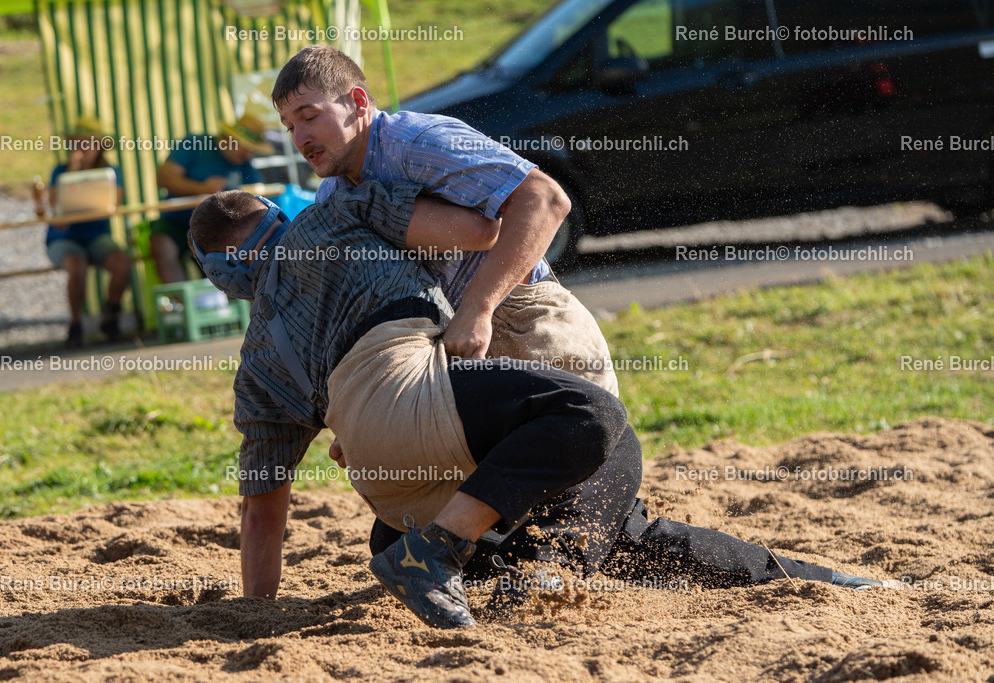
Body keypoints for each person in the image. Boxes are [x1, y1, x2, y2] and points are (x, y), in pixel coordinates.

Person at [188, 181, 899, 629]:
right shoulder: (331, 218)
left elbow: (263, 512)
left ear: (223, 282)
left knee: (546, 523)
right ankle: (538, 573)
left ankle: (508, 561)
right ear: (278, 213)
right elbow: (481, 230)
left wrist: (260, 614)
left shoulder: (256, 364)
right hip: (423, 403)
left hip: (387, 480)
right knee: (595, 426)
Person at [271, 46, 618, 394]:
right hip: (452, 355)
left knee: (584, 440)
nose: (300, 139)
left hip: (528, 328)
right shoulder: (332, 195)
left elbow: (546, 198)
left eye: (310, 116)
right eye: (290, 127)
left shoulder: (417, 143)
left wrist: (478, 309)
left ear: (359, 102)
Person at [39, 116, 131, 347]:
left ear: (100, 145)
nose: (81, 147)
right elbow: (53, 203)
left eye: (87, 142)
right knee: (76, 265)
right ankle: (75, 324)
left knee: (121, 262)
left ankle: (110, 316)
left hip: (97, 237)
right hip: (63, 238)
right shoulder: (60, 171)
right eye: (76, 142)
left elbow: (115, 201)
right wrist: (72, 171)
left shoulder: (110, 171)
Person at [150, 114, 271, 283]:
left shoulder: (245, 166)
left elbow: (260, 199)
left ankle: (227, 302)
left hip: (218, 228)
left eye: (252, 149)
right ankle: (182, 304)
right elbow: (164, 177)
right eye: (244, 146)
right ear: (228, 137)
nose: (247, 154)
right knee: (161, 245)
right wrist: (201, 189)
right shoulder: (195, 144)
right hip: (177, 222)